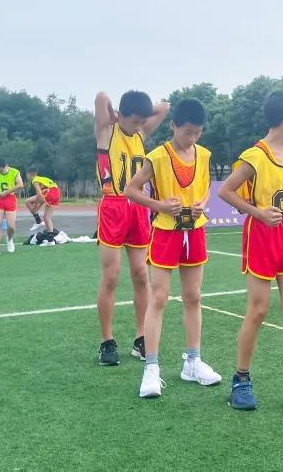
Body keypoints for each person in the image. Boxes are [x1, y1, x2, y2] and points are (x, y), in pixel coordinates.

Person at [218, 90, 283, 416]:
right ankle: (241, 380)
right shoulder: (255, 155)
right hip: (261, 234)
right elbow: (225, 191)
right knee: (258, 309)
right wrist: (257, 212)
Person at [126, 98, 222, 397]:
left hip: (195, 231)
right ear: (173, 126)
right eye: (187, 132)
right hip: (166, 233)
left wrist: (202, 204)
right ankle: (151, 367)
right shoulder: (157, 156)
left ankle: (192, 362)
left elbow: (206, 189)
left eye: (197, 132)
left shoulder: (204, 155)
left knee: (194, 296)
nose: (192, 137)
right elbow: (131, 190)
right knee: (159, 298)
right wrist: (160, 206)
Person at [94, 90, 169, 366]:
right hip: (113, 207)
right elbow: (101, 97)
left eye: (142, 121)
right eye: (134, 120)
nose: (139, 125)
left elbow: (164, 108)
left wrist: (143, 114)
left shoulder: (140, 133)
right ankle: (107, 341)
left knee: (140, 274)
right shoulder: (106, 132)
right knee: (111, 276)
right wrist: (114, 114)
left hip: (138, 208)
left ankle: (141, 337)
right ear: (121, 115)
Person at [0, 161, 24, 256]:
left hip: (10, 199)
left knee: (11, 226)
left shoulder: (14, 172)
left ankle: (9, 239)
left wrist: (7, 192)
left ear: (6, 166)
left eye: (1, 170)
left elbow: (20, 185)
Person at [25, 169, 60, 234]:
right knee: (46, 218)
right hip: (56, 193)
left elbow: (39, 194)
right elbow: (42, 197)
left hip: (50, 193)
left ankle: (38, 221)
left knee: (27, 201)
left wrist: (35, 206)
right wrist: (37, 207)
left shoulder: (35, 180)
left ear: (29, 175)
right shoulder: (41, 179)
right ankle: (50, 236)